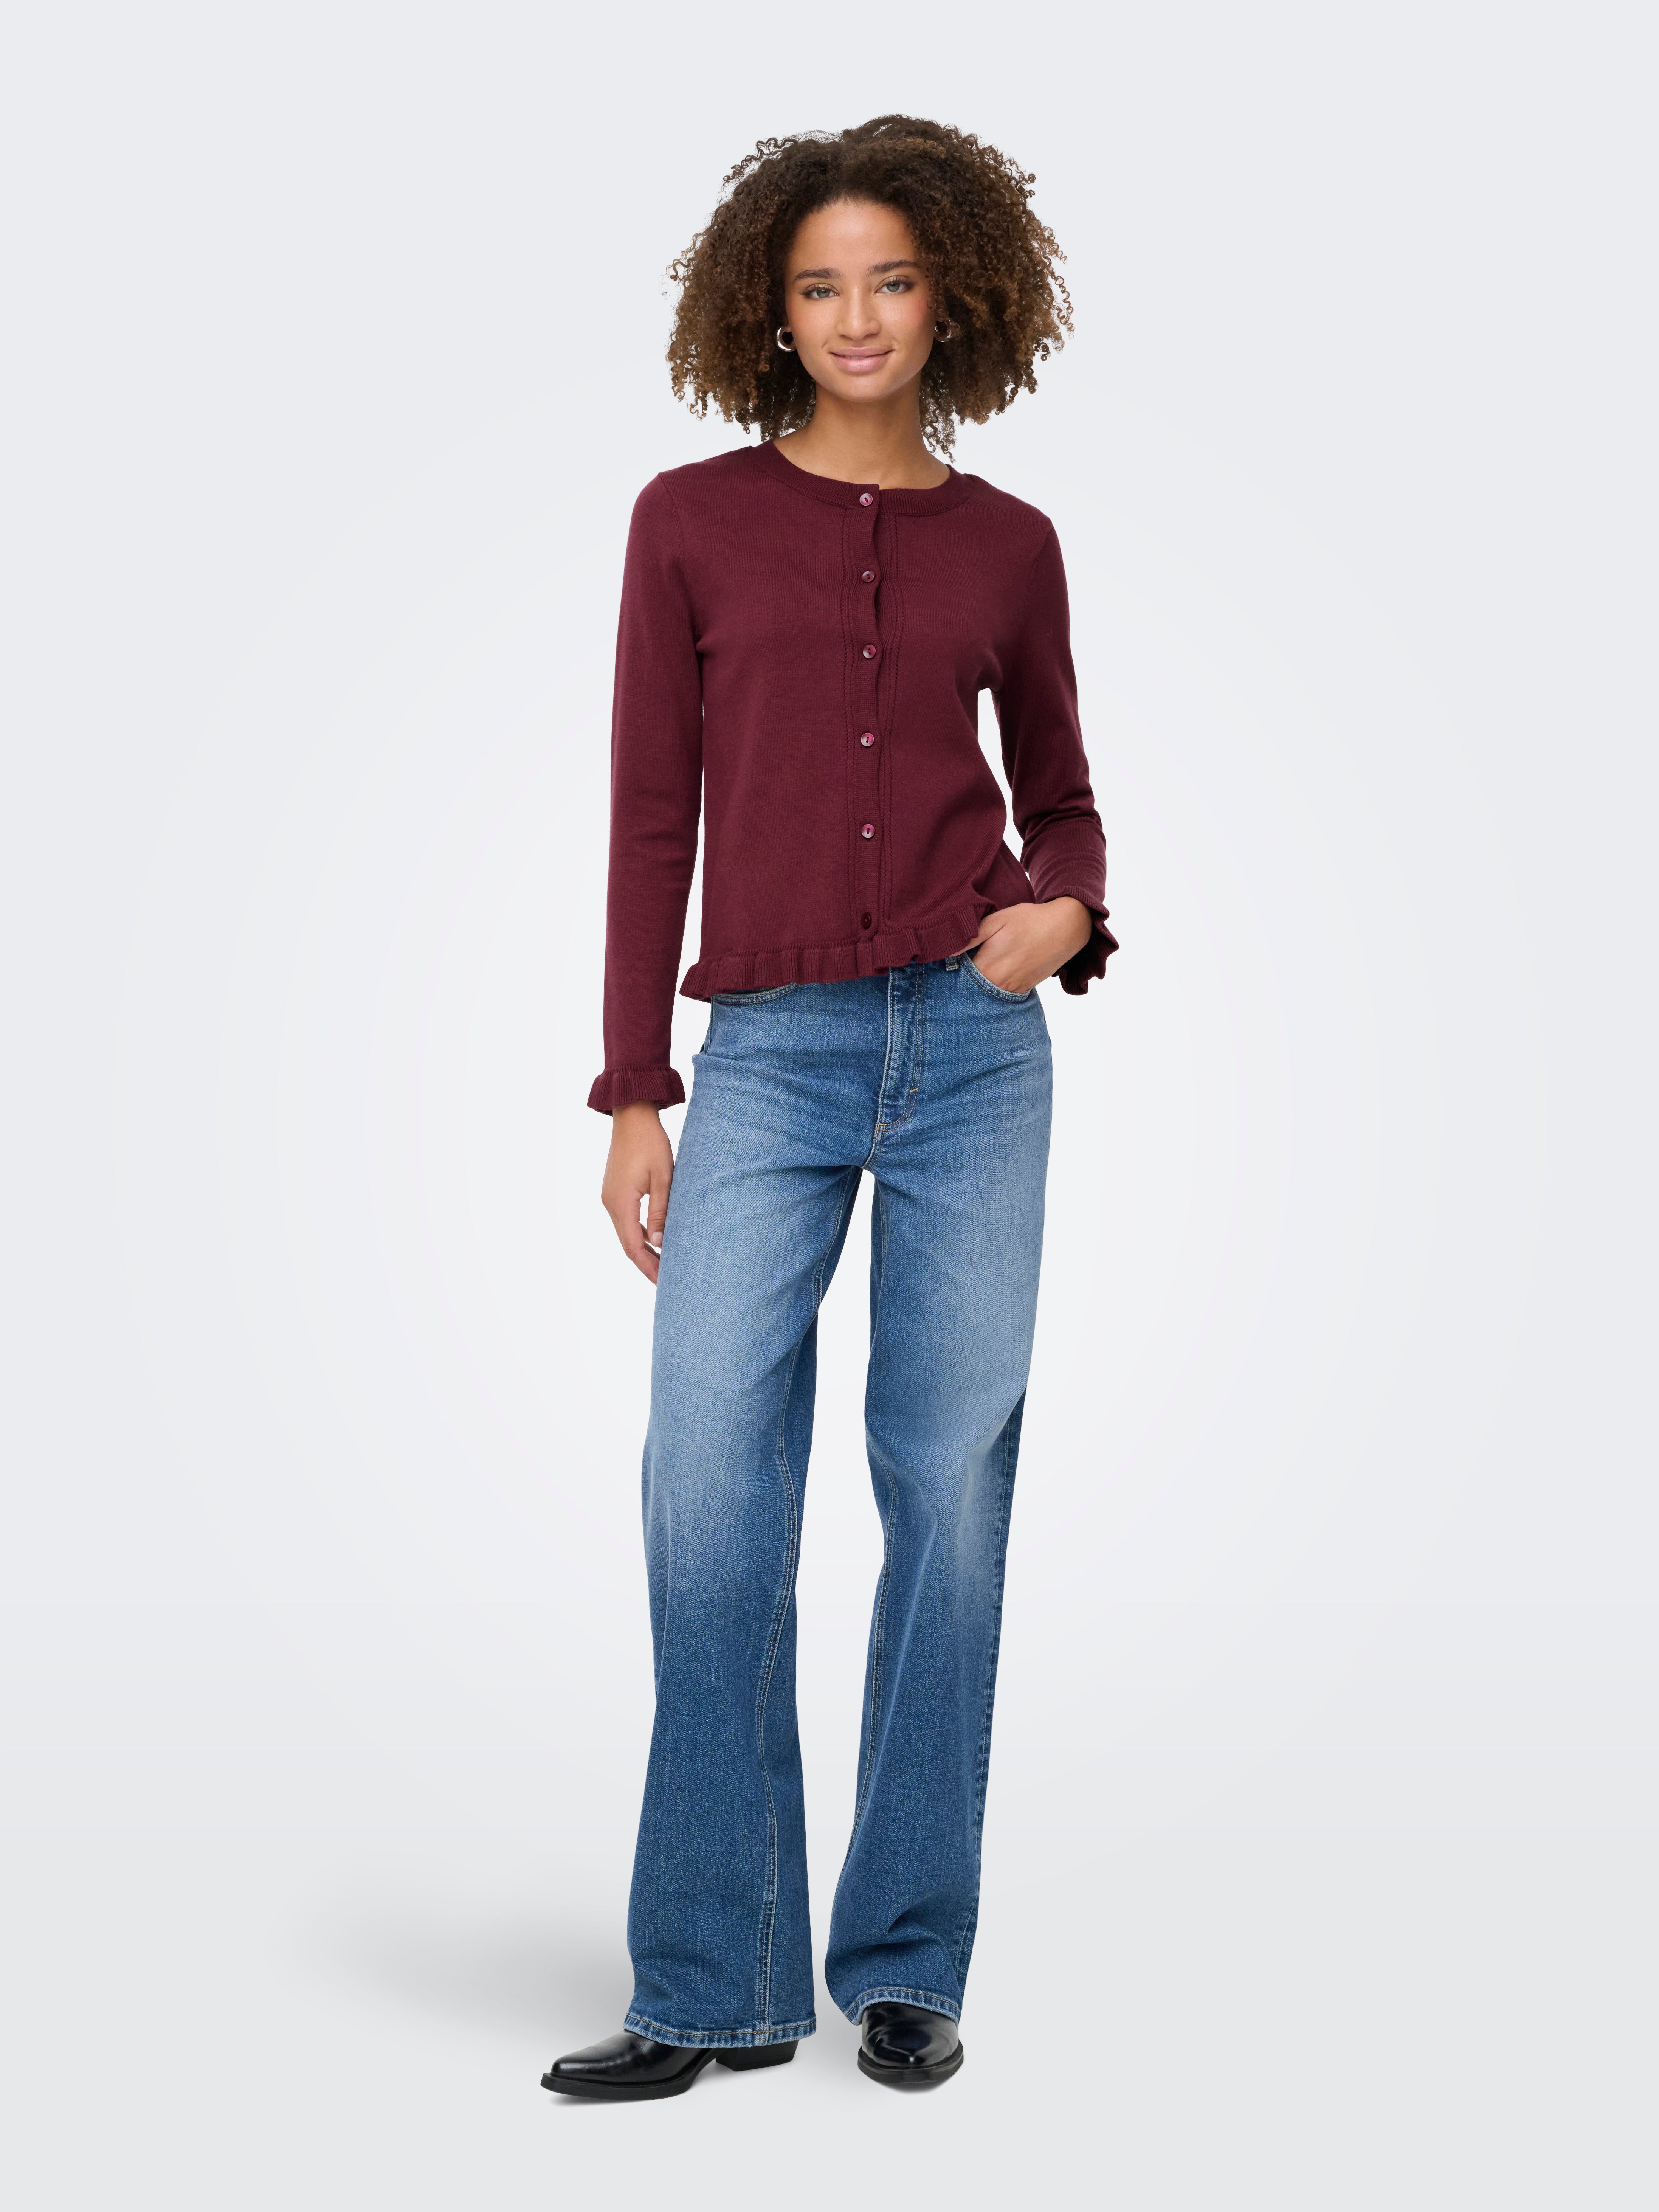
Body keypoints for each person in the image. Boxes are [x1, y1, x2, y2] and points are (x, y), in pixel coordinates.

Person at [543, 115, 1117, 2103]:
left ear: (952, 296)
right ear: (766, 314)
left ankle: (905, 1961)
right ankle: (712, 1977)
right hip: (770, 1058)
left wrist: (1066, 908)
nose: (855, 315)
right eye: (817, 285)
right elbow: (649, 813)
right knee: (707, 1481)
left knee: (945, 1491)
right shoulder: (688, 522)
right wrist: (636, 1089)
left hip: (973, 1051)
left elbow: (1063, 792)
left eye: (889, 279)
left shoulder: (1010, 546)